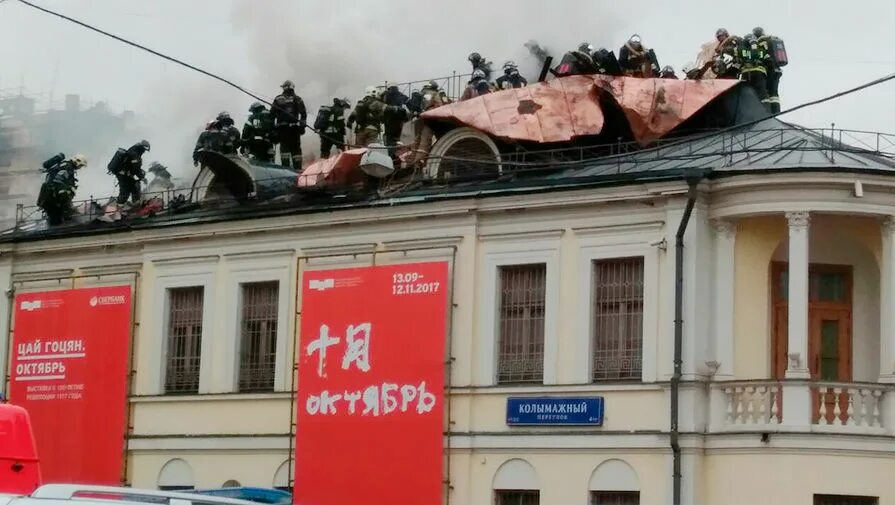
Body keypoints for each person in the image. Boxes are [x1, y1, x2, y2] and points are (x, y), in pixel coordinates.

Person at [37, 153, 86, 225]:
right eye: (81, 165)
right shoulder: (68, 168)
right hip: (54, 200)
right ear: (77, 162)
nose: (80, 167)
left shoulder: (62, 165)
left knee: (53, 220)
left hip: (47, 197)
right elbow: (59, 184)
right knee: (57, 223)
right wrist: (66, 202)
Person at [271, 79, 308, 168]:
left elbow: (271, 115)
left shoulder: (278, 98)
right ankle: (298, 171)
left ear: (284, 88)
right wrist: (302, 127)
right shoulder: (297, 99)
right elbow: (303, 113)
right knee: (296, 152)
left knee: (285, 151)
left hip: (282, 130)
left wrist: (273, 130)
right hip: (294, 130)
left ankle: (286, 171)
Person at [410, 81, 444, 167]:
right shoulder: (434, 93)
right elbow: (439, 106)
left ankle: (412, 159)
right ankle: (418, 162)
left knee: (416, 140)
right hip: (428, 118)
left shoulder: (421, 93)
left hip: (418, 118)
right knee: (425, 140)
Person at [754, 26, 786, 113]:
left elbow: (761, 56)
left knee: (765, 91)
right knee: (774, 93)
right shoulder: (772, 39)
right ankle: (776, 111)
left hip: (768, 69)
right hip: (777, 70)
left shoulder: (758, 43)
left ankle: (767, 111)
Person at [108, 140, 149, 206]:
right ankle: (119, 209)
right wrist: (142, 177)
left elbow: (131, 166)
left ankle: (133, 205)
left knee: (133, 189)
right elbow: (136, 169)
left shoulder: (132, 150)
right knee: (126, 192)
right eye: (144, 150)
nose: (144, 152)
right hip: (124, 176)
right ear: (142, 148)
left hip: (122, 174)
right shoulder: (135, 155)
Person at [740, 32, 771, 111]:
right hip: (759, 73)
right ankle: (766, 111)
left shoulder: (742, 50)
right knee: (762, 93)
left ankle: (749, 112)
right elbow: (768, 60)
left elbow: (738, 61)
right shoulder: (761, 49)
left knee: (747, 94)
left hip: (745, 74)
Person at [382, 83, 409, 165]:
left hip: (389, 126)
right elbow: (408, 103)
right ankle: (399, 161)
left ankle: (390, 162)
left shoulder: (386, 96)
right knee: (399, 144)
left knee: (390, 145)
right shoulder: (401, 96)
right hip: (399, 126)